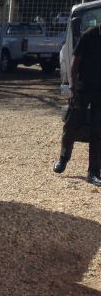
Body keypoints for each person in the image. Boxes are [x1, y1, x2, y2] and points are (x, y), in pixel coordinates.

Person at [53, 23, 101, 186]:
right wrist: (72, 88)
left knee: (98, 131)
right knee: (72, 124)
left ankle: (93, 172)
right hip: (83, 87)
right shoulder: (89, 35)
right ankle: (63, 158)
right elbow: (75, 61)